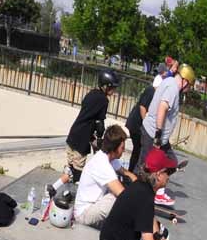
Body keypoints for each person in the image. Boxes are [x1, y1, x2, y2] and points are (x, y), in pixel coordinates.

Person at [48, 69, 119, 196]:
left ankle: (53, 188)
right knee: (78, 174)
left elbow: (87, 118)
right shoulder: (103, 100)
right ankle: (72, 201)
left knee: (70, 169)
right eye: (113, 87)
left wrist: (92, 138)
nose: (114, 91)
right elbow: (99, 123)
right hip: (81, 140)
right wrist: (99, 137)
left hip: (73, 134)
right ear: (106, 86)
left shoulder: (91, 93)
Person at [140, 62, 195, 205]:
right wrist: (158, 136)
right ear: (184, 81)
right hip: (153, 134)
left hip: (159, 137)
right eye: (188, 87)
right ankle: (137, 195)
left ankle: (157, 191)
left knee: (171, 162)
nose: (187, 90)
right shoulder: (173, 88)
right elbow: (162, 108)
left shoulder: (170, 82)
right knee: (146, 168)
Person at [73, 125, 136, 228]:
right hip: (84, 214)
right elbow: (122, 194)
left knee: (125, 190)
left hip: (94, 206)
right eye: (122, 148)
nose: (124, 150)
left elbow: (125, 172)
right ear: (114, 149)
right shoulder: (102, 164)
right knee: (118, 198)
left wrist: (135, 180)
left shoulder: (110, 158)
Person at [125, 81, 156, 173]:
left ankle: (132, 172)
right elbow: (142, 107)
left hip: (138, 124)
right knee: (139, 150)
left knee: (138, 150)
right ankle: (133, 172)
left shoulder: (154, 92)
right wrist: (146, 125)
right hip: (136, 124)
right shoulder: (151, 90)